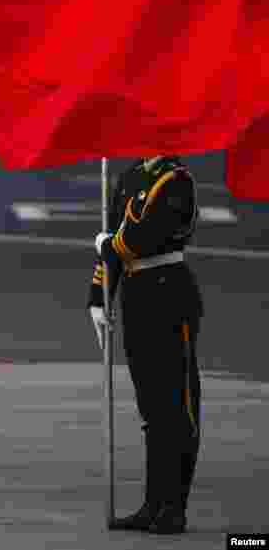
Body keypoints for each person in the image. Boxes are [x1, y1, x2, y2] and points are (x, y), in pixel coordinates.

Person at [90, 155, 202, 534]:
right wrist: (97, 295)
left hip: (169, 292)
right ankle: (153, 504)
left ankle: (174, 507)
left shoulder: (176, 181)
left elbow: (146, 237)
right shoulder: (132, 175)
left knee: (177, 407)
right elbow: (115, 237)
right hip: (137, 297)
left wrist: (109, 245)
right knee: (152, 409)